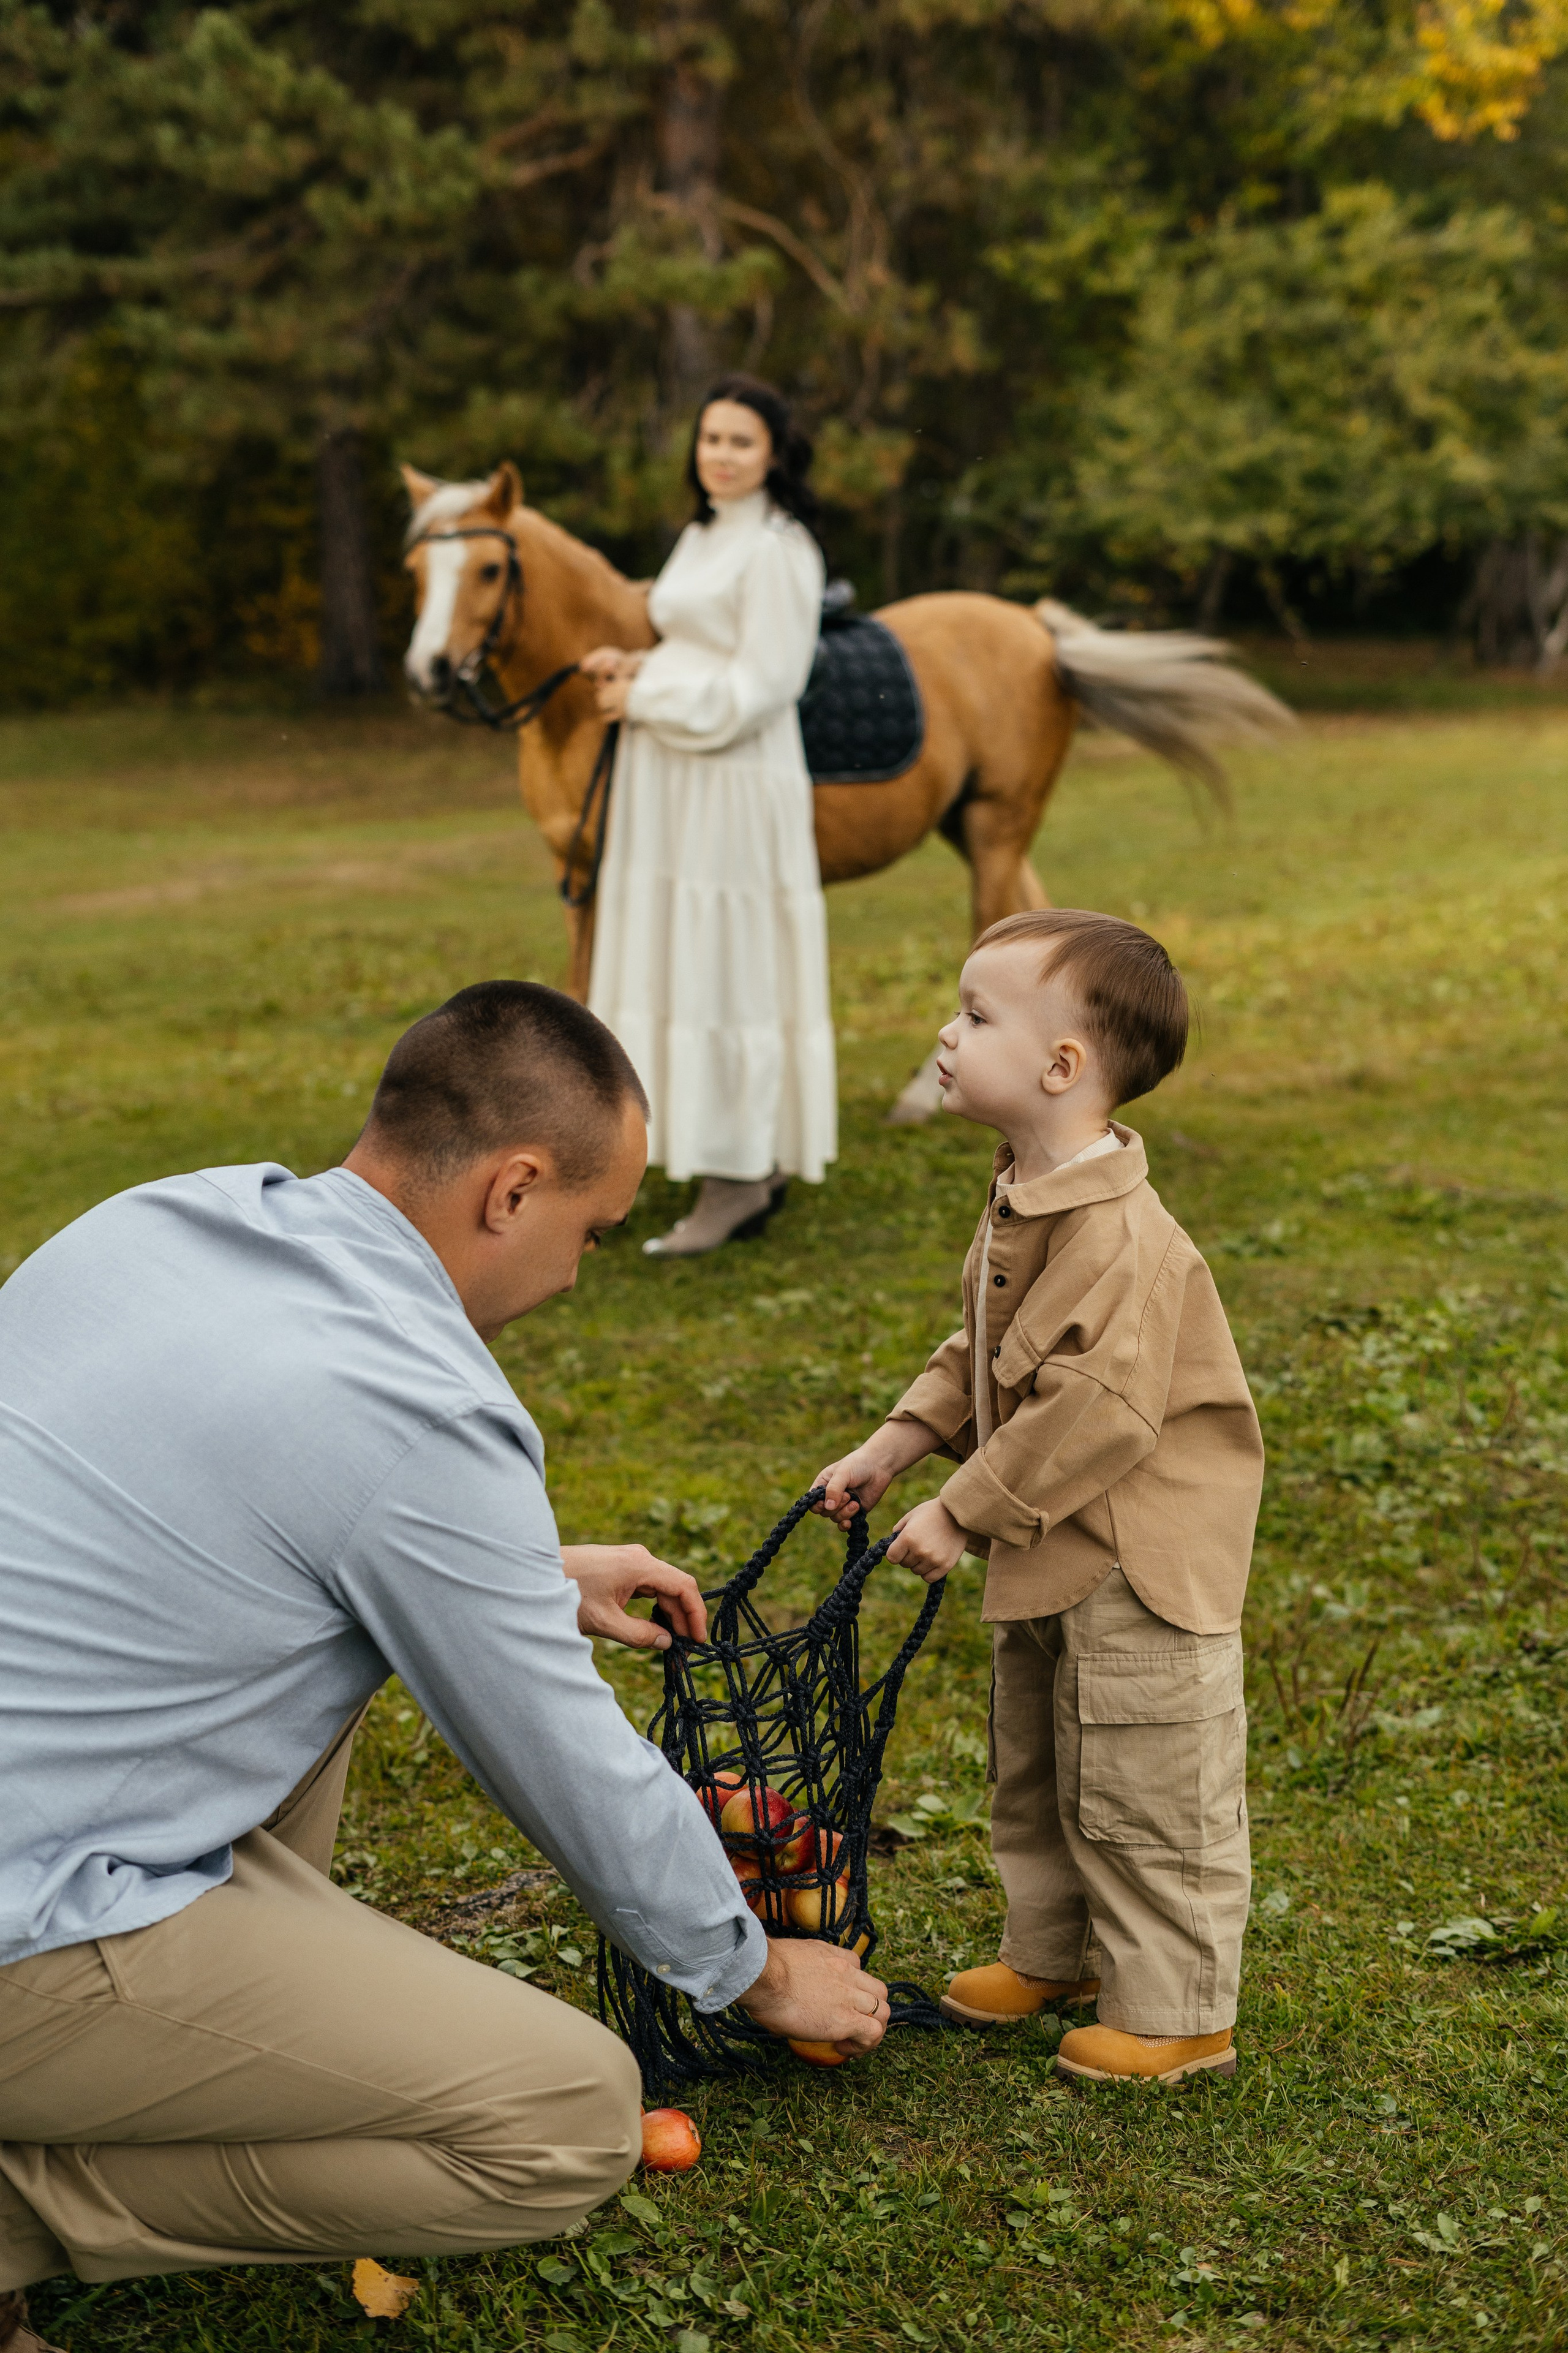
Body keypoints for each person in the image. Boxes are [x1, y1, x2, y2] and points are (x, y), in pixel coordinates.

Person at [0, 982, 887, 2342]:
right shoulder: (421, 1404)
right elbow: (567, 1763)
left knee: (322, 1665)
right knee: (564, 2123)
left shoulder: (163, 1219)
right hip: (28, 1915)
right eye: (591, 1229)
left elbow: (216, 1524)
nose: (582, 1268)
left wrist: (524, 1581)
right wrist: (755, 1973)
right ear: (511, 1188)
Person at [812, 912, 1265, 2087]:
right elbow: (986, 1346)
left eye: (973, 1015)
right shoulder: (1029, 1188)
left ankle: (1177, 2010)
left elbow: (1093, 1408)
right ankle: (1055, 1953)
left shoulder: (1124, 1236)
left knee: (1146, 1777)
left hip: (1137, 1559)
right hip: (1054, 1543)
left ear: (1062, 1068)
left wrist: (961, 1509)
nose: (946, 1035)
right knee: (1043, 1763)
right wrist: (898, 1442)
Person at [581, 373, 835, 1258]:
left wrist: (647, 690)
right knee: (676, 961)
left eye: (740, 441)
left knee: (727, 965)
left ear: (773, 454)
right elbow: (701, 646)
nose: (720, 455)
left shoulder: (778, 547)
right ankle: (691, 1152)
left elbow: (765, 685)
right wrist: (638, 661)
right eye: (711, 439)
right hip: (673, 780)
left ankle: (741, 1176)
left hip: (732, 780)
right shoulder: (702, 534)